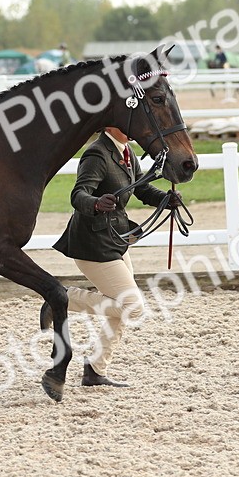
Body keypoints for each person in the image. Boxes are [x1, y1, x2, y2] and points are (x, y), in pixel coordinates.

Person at [48, 128, 172, 388]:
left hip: (115, 240)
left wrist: (165, 199)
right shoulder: (96, 153)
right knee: (132, 306)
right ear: (110, 125)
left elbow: (142, 189)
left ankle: (95, 369)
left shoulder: (126, 151)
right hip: (92, 245)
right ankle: (61, 298)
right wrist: (95, 203)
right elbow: (78, 194)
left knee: (123, 307)